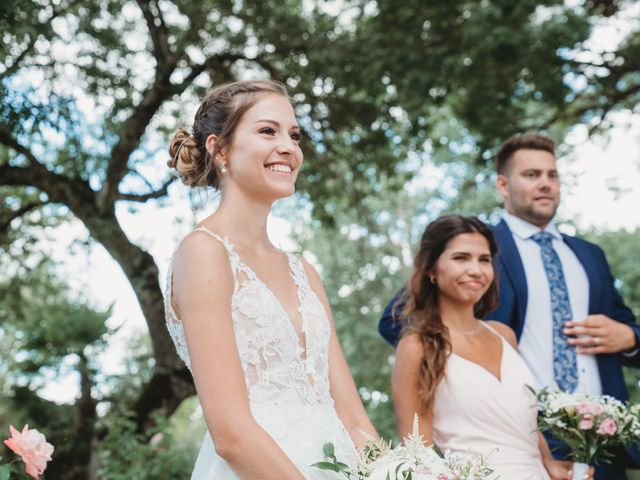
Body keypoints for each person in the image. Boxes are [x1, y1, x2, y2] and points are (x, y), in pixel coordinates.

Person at [380, 133, 640, 479]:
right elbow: (397, 319)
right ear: (503, 184)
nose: (545, 184)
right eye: (531, 175)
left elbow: (629, 328)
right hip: (521, 436)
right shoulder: (477, 243)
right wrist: (463, 361)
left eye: (552, 175)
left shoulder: (590, 256)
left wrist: (629, 337)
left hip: (599, 442)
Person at [164, 79, 378, 479]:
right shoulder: (203, 253)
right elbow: (230, 432)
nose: (289, 147)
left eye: (294, 135)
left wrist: (395, 470)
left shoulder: (305, 273)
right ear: (219, 148)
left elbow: (352, 416)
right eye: (268, 131)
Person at [392, 215, 590, 479]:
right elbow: (418, 451)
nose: (476, 270)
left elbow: (524, 421)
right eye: (461, 258)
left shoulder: (504, 335)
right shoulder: (415, 346)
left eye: (484, 260)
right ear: (431, 269)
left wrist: (548, 461)